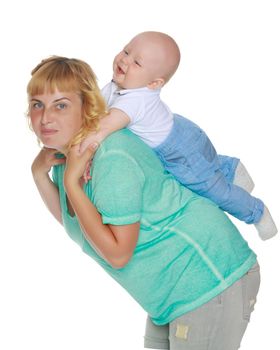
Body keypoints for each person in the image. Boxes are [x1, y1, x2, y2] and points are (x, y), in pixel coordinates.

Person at [29, 56, 261, 350]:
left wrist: (71, 185)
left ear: (87, 106)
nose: (45, 117)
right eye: (37, 104)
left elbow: (117, 254)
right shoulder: (69, 156)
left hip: (207, 277)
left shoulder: (112, 156)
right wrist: (40, 175)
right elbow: (78, 222)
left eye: (60, 105)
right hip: (170, 294)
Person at [79, 31, 277, 240]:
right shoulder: (117, 86)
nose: (124, 60)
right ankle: (231, 168)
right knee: (205, 164)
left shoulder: (134, 101)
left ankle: (257, 212)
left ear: (154, 83)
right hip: (180, 130)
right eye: (126, 51)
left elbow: (102, 128)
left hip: (179, 153)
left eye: (136, 62)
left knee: (213, 191)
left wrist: (83, 156)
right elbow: (96, 111)